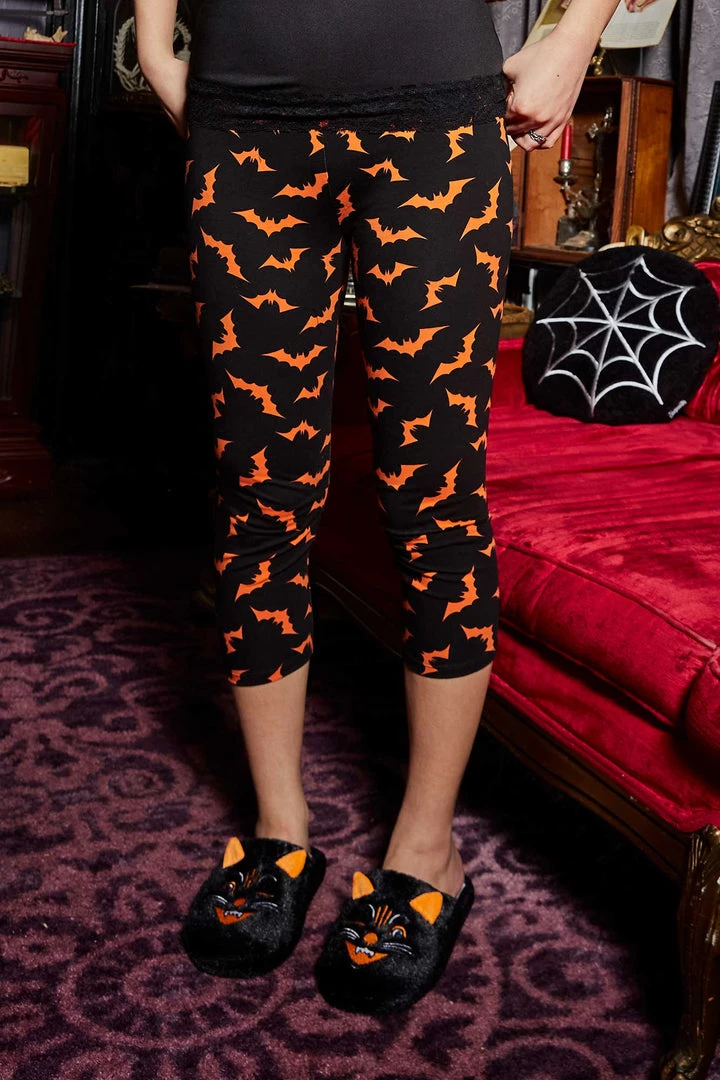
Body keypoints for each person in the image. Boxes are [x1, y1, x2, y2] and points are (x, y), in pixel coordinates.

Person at [135, 0, 622, 1015]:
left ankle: (426, 849)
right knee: (258, 493)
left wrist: (577, 34)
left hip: (435, 117)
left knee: (435, 495)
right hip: (245, 119)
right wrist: (149, 38)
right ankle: (278, 828)